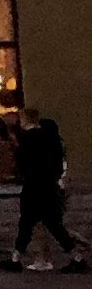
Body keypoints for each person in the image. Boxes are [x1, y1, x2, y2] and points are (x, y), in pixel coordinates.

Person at [5, 109, 87, 271]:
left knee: (27, 223)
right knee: (51, 223)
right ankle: (77, 257)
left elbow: (22, 166)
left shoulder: (26, 141)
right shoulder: (51, 139)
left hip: (33, 187)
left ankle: (15, 259)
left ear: (24, 120)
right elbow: (58, 164)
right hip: (49, 186)